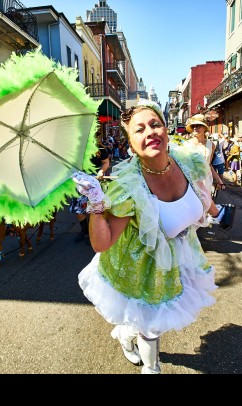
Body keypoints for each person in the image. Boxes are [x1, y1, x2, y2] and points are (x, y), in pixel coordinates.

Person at [73, 100, 224, 374]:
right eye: (139, 130)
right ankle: (152, 369)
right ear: (130, 144)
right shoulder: (128, 186)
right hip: (144, 266)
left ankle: (125, 334)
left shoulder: (189, 162)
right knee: (151, 327)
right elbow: (101, 243)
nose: (150, 132)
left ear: (167, 130)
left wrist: (218, 213)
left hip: (181, 254)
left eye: (155, 124)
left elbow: (201, 194)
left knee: (143, 323)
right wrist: (96, 203)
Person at [69, 134, 110, 243]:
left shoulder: (100, 148)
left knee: (93, 208)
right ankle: (84, 231)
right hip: (79, 181)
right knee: (78, 209)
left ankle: (94, 233)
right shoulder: (76, 149)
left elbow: (106, 162)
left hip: (94, 182)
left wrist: (101, 171)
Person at [185, 113, 225, 192]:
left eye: (198, 125)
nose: (195, 128)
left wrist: (218, 179)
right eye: (193, 126)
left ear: (204, 128)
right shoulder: (187, 144)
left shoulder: (211, 145)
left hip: (206, 181)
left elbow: (208, 165)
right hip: (191, 181)